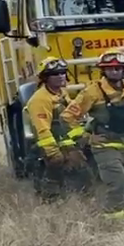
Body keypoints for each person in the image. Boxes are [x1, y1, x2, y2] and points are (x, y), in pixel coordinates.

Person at [62, 50, 124, 219]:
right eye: (110, 69)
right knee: (118, 181)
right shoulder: (92, 91)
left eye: (118, 68)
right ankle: (112, 218)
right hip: (105, 144)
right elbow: (67, 117)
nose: (114, 72)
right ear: (103, 70)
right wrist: (85, 137)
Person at [25, 57, 89, 201]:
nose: (61, 76)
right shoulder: (40, 99)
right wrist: (53, 152)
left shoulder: (61, 93)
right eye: (55, 74)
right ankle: (49, 199)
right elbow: (42, 129)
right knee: (56, 167)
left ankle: (78, 198)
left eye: (62, 72)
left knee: (81, 168)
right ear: (45, 78)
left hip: (62, 140)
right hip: (47, 144)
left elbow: (70, 116)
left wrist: (82, 137)